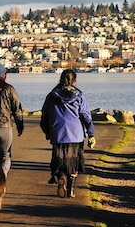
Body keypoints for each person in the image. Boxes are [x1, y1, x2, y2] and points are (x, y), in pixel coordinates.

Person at [40, 69, 95, 198]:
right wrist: (91, 133)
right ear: (74, 80)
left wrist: (48, 132)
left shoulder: (52, 95)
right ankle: (70, 188)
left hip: (58, 134)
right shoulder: (79, 95)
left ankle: (60, 177)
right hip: (76, 135)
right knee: (74, 163)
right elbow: (86, 116)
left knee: (58, 162)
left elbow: (44, 116)